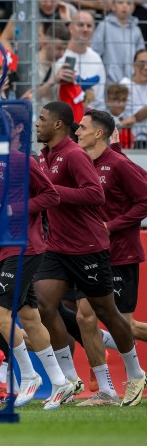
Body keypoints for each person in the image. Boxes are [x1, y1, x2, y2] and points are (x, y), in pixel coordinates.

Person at [34, 101, 146, 407]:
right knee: (44, 305)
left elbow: (94, 194)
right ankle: (70, 381)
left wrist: (55, 195)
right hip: (56, 247)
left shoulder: (74, 155)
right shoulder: (44, 157)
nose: (36, 123)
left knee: (105, 314)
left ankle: (135, 373)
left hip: (89, 248)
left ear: (58, 125)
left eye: (41, 119)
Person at [0, 109, 72, 409]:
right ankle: (60, 382)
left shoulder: (21, 161)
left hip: (24, 246)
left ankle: (29, 375)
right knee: (29, 317)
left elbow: (51, 196)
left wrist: (13, 209)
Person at [74, 109, 147, 406]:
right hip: (88, 254)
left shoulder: (118, 164)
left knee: (124, 326)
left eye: (82, 127)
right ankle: (105, 390)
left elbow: (145, 200)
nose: (77, 132)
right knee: (84, 318)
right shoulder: (81, 164)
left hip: (120, 254)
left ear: (99, 133)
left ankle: (134, 377)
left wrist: (111, 227)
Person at [91, 0, 145, 84]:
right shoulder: (105, 26)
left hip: (131, 81)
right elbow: (96, 51)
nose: (125, 6)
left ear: (133, 8)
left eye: (129, 3)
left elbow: (141, 55)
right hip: (109, 80)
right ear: (113, 6)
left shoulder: (136, 30)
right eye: (120, 2)